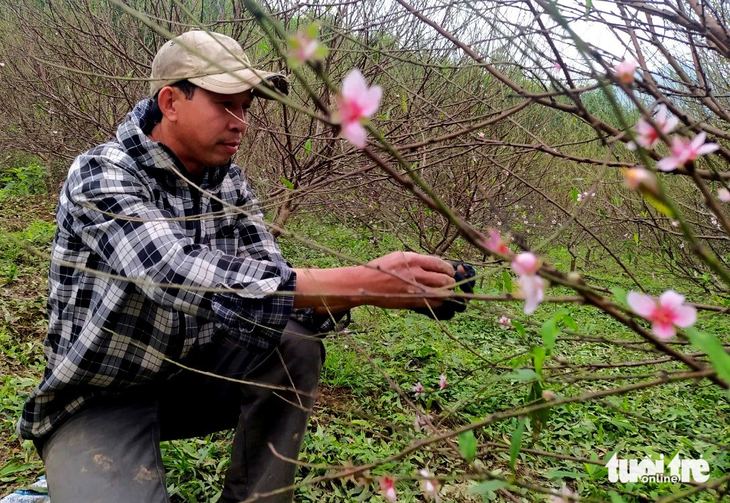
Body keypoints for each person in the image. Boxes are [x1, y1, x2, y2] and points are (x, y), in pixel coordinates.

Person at [17, 30, 463, 503]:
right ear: (170, 101)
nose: (241, 122)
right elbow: (171, 271)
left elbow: (272, 282)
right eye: (225, 103)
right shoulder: (102, 173)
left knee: (293, 344)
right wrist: (368, 282)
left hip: (187, 378)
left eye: (246, 106)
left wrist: (380, 288)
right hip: (98, 399)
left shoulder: (228, 184)